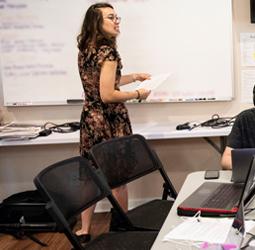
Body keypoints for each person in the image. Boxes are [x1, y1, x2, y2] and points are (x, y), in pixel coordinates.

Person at [76, 2, 151, 242]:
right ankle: (122, 227)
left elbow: (103, 85)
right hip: (111, 119)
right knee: (119, 178)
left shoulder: (86, 48)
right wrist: (138, 93)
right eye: (110, 17)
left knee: (89, 176)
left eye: (117, 17)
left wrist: (134, 77)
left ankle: (84, 230)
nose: (116, 21)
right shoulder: (108, 52)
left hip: (91, 118)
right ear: (96, 22)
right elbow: (108, 95)